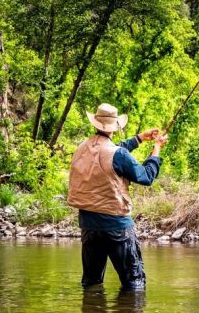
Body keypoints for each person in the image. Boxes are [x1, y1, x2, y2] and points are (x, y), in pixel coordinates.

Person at [67, 103, 167, 291]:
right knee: (134, 284)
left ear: (96, 123)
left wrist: (138, 139)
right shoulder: (117, 154)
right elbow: (146, 177)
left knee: (92, 284)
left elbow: (109, 151)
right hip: (118, 228)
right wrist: (156, 149)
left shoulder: (82, 148)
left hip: (89, 227)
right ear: (115, 127)